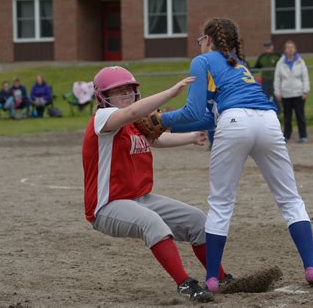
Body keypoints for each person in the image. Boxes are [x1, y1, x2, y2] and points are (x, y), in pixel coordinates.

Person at [159, 18, 313, 293]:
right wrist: (166, 123)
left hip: (235, 122)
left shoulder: (202, 62)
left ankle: (213, 278)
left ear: (210, 39)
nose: (200, 44)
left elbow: (194, 112)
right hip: (269, 122)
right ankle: (311, 267)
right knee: (290, 199)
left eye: (201, 39)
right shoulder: (238, 64)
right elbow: (208, 116)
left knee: (221, 204)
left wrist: (159, 119)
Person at [82, 66, 232, 303]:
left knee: (198, 221)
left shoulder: (132, 123)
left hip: (139, 199)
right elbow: (131, 112)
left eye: (129, 90)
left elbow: (156, 139)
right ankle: (184, 284)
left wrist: (191, 137)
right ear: (103, 97)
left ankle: (221, 277)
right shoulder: (102, 118)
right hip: (106, 206)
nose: (126, 95)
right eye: (117, 91)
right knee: (152, 223)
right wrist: (171, 93)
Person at [274, 40, 310, 143]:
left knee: (300, 116)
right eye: (288, 47)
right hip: (286, 94)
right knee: (287, 117)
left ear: (295, 49)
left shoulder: (300, 62)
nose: (290, 49)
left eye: (292, 47)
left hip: (299, 94)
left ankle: (303, 136)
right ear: (285, 50)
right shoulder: (280, 63)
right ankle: (287, 136)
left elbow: (305, 77)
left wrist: (305, 91)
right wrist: (277, 92)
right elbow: (277, 79)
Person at [254, 41, 282, 113]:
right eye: (266, 47)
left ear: (272, 47)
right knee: (265, 98)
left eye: (269, 46)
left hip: (275, 81)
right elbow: (257, 67)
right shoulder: (262, 57)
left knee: (276, 98)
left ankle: (278, 114)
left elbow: (282, 68)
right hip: (265, 82)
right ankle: (266, 113)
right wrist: (248, 69)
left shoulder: (277, 56)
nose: (268, 48)